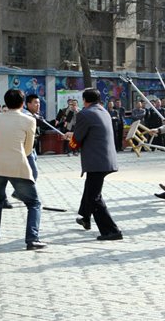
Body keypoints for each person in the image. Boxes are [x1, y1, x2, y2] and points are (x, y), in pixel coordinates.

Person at [0, 89, 47, 250]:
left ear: (6, 102)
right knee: (34, 203)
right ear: (23, 103)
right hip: (18, 165)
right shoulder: (29, 120)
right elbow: (28, 149)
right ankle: (32, 238)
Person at [66, 88, 123, 241]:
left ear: (85, 100)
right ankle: (85, 217)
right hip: (106, 158)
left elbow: (76, 140)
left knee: (94, 197)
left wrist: (70, 139)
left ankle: (112, 231)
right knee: (90, 188)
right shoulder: (104, 111)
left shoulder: (84, 113)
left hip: (97, 161)